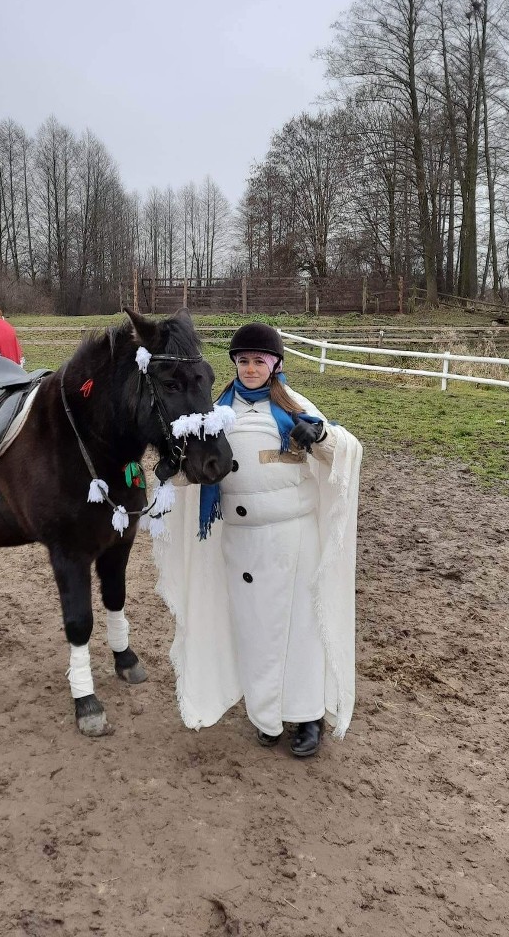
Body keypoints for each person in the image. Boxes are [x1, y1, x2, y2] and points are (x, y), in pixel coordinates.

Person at [152, 322, 362, 758]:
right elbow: (198, 468)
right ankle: (267, 716)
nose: (250, 369)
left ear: (275, 365)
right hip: (240, 543)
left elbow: (347, 449)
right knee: (254, 630)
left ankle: (306, 717)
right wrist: (170, 476)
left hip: (291, 540)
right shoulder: (214, 414)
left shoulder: (294, 405)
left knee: (299, 629)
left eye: (258, 361)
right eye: (243, 361)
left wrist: (320, 436)